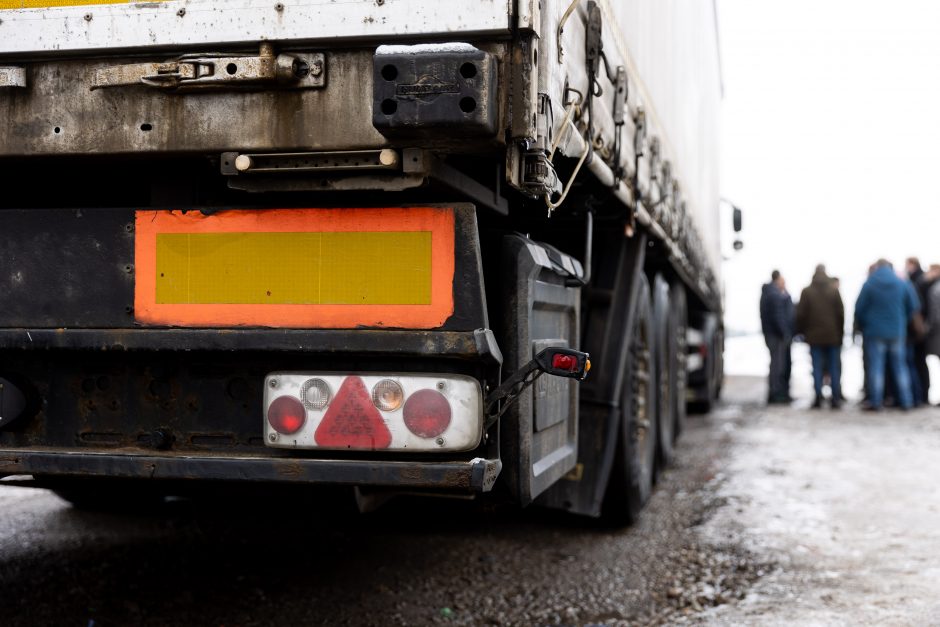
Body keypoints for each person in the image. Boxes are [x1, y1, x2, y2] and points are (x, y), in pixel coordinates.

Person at [854, 259, 918, 411]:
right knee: (900, 367)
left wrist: (867, 324)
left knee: (876, 367)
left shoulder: (870, 284)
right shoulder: (902, 283)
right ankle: (906, 401)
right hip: (897, 331)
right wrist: (902, 320)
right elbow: (913, 307)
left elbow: (859, 309)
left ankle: (876, 402)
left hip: (875, 331)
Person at [796, 265, 845, 408]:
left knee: (816, 367)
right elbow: (840, 314)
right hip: (832, 336)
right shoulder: (834, 291)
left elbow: (801, 314)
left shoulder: (807, 291)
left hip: (814, 337)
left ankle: (818, 396)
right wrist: (840, 334)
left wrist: (801, 332)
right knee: (834, 367)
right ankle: (835, 398)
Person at [760, 271, 795, 404]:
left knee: (775, 364)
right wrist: (785, 333)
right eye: (783, 281)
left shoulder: (768, 292)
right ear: (777, 280)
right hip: (775, 336)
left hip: (771, 334)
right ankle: (775, 394)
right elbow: (778, 317)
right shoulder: (774, 294)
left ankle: (774, 392)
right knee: (777, 366)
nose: (784, 284)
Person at [906, 257, 930, 404]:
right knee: (919, 364)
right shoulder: (920, 281)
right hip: (920, 331)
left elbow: (917, 309)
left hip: (917, 332)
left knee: (917, 363)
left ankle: (920, 397)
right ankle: (921, 396)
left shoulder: (917, 282)